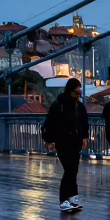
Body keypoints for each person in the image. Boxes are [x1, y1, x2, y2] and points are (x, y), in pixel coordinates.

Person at [43, 78, 89, 212]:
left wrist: (84, 137)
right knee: (69, 169)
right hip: (62, 141)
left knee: (73, 169)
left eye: (79, 93)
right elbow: (49, 123)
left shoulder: (79, 106)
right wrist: (49, 140)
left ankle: (73, 198)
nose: (78, 95)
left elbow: (83, 122)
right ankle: (63, 200)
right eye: (76, 92)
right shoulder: (58, 105)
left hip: (76, 142)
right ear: (70, 91)